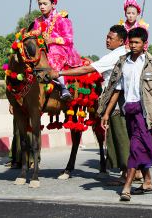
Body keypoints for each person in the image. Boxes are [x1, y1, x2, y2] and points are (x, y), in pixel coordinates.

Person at [49, 25, 130, 183]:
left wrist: (59, 73)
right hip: (126, 101)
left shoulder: (114, 56)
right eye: (106, 36)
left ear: (121, 41)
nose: (106, 40)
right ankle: (132, 173)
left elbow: (86, 70)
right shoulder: (124, 53)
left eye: (110, 38)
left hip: (118, 102)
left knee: (121, 138)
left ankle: (128, 175)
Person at [98, 27, 152, 201]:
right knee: (140, 146)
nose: (134, 45)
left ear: (145, 44)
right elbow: (115, 90)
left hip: (145, 114)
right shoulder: (123, 62)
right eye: (131, 42)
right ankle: (148, 181)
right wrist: (106, 113)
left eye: (137, 42)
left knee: (135, 148)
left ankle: (126, 187)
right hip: (128, 111)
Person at [31, 0, 82, 100]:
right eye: (40, 4)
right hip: (42, 48)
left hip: (61, 49)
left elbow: (69, 39)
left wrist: (52, 40)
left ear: (53, 4)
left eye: (45, 3)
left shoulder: (62, 19)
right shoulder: (37, 21)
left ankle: (64, 87)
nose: (42, 6)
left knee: (53, 53)